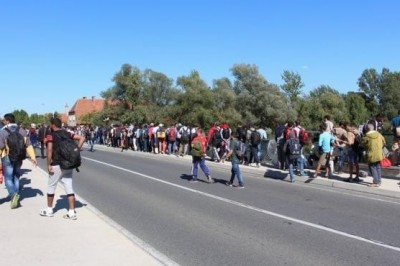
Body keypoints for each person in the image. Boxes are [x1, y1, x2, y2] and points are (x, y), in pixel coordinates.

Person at [40, 117, 85, 219]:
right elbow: (82, 138)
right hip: (69, 164)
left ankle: (49, 210)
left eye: (50, 124)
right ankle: (72, 212)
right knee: (69, 187)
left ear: (53, 125)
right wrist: (77, 150)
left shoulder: (51, 135)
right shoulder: (67, 133)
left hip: (56, 164)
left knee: (51, 186)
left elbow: (49, 149)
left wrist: (48, 164)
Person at [0, 113, 37, 209]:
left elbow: (1, 147)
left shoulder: (3, 131)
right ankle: (16, 195)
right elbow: (28, 145)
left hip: (7, 157)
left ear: (7, 121)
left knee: (8, 178)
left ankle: (13, 195)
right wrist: (33, 157)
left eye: (4, 120)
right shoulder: (22, 131)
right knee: (16, 176)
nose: (3, 122)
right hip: (19, 157)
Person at [363, 123, 386, 187]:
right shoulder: (379, 134)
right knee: (378, 167)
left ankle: (375, 182)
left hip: (371, 154)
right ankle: (379, 181)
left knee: (372, 168)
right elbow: (384, 142)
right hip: (379, 154)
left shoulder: (366, 136)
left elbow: (363, 144)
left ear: (367, 129)